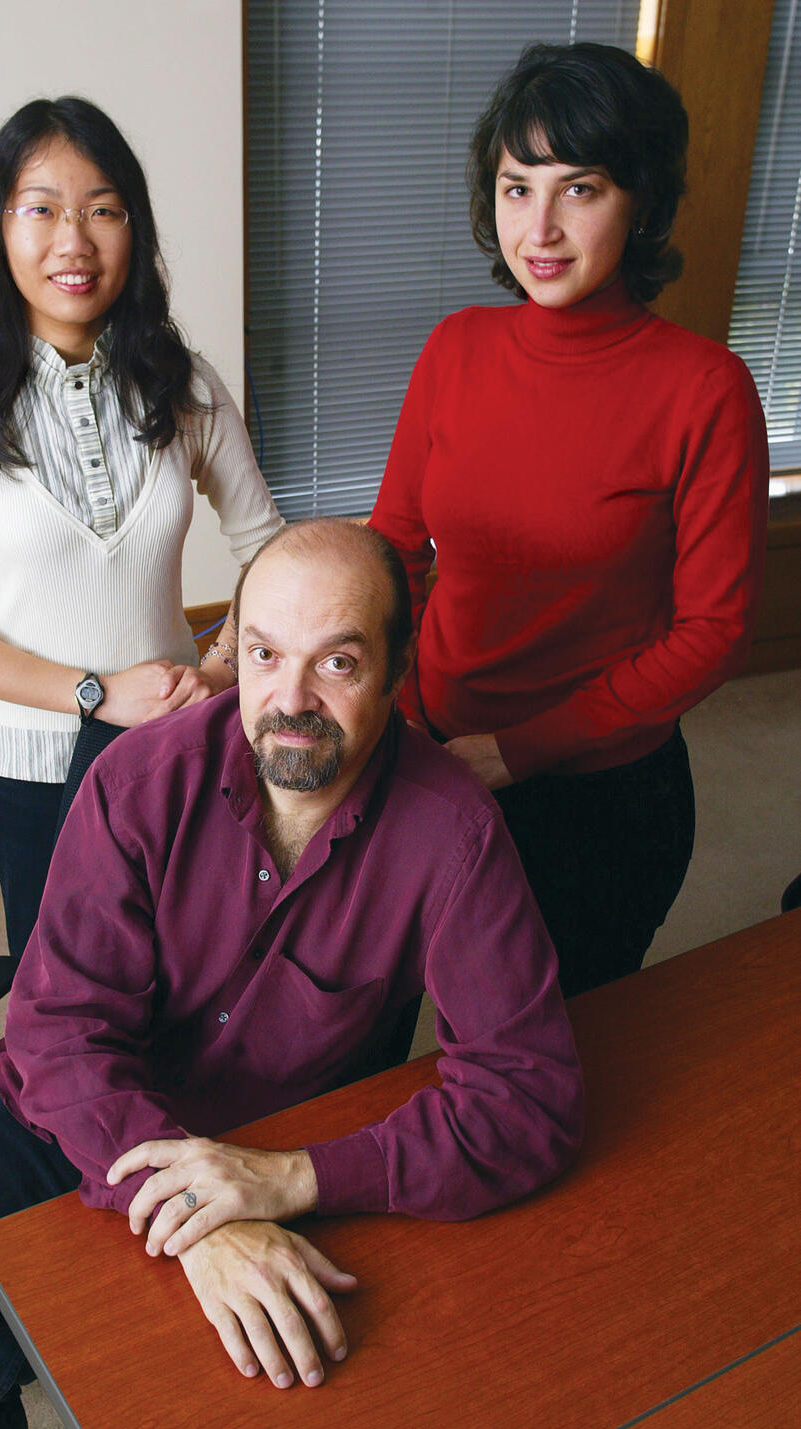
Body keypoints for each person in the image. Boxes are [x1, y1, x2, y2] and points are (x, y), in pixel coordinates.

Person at [0, 519, 583, 1429]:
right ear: (230, 648)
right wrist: (204, 1217)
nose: (291, 698)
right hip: (75, 1111)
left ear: (397, 669)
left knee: (272, 1397)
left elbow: (530, 1099)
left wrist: (293, 1177)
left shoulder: (455, 832)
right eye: (264, 654)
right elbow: (59, 1032)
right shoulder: (139, 780)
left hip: (271, 1139)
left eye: (339, 664)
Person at [369, 43, 769, 997]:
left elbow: (712, 633)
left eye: (578, 189)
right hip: (428, 749)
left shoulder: (704, 389)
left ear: (640, 202)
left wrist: (512, 752)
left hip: (599, 791)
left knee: (553, 1056)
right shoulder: (457, 347)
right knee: (387, 1016)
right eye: (516, 189)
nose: (539, 228)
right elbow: (394, 547)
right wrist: (398, 706)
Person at [0, 96, 282, 958]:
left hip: (182, 746)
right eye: (42, 210)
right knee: (67, 1000)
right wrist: (94, 694)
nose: (74, 241)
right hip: (33, 771)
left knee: (199, 973)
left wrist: (217, 671)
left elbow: (271, 552)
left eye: (102, 210)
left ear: (133, 230)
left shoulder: (186, 384)